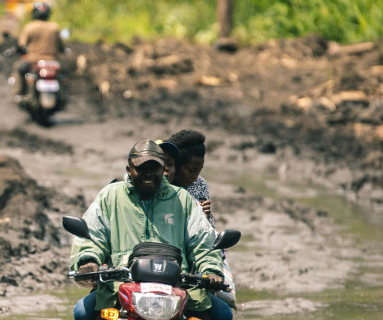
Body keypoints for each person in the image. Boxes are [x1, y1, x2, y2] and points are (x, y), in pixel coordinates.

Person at [70, 139, 230, 320]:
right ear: (129, 169)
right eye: (141, 168)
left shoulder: (182, 199)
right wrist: (88, 259)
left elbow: (202, 241)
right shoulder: (110, 195)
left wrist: (211, 270)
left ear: (163, 170)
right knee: (82, 313)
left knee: (223, 314)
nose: (148, 174)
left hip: (180, 289)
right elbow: (92, 236)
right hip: (120, 287)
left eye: (154, 168)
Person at [167, 129, 236, 312]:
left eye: (199, 171)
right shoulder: (160, 185)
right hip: (164, 256)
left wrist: (205, 217)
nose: (195, 176)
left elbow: (207, 233)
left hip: (191, 259)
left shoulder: (199, 185)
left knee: (221, 310)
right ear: (175, 165)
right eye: (191, 170)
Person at [12, 2, 66, 100]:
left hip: (33, 60)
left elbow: (21, 44)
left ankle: (18, 93)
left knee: (18, 68)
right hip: (53, 61)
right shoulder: (55, 27)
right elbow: (61, 46)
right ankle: (63, 95)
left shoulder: (30, 27)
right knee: (63, 74)